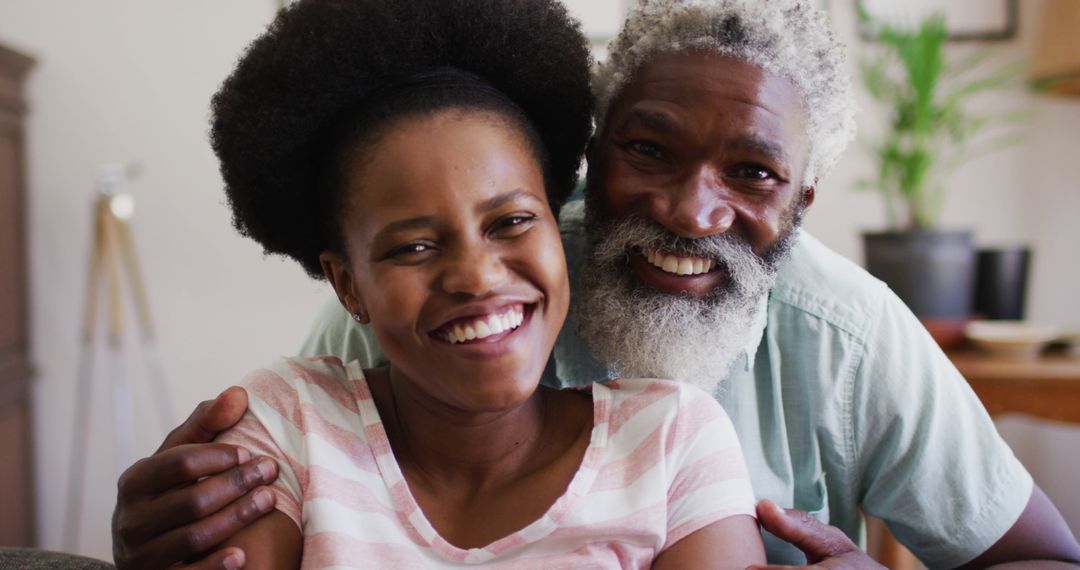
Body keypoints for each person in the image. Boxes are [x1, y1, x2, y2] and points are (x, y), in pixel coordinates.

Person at [113, 0, 1080, 568]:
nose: (691, 212)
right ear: (592, 152)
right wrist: (168, 537)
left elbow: (1045, 559)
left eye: (752, 173)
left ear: (801, 200)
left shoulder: (845, 335)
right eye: (650, 149)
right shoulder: (422, 318)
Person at [111, 0, 768, 567]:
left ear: (557, 222)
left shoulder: (673, 442)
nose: (476, 276)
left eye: (511, 222)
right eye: (414, 247)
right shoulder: (287, 426)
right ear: (348, 285)